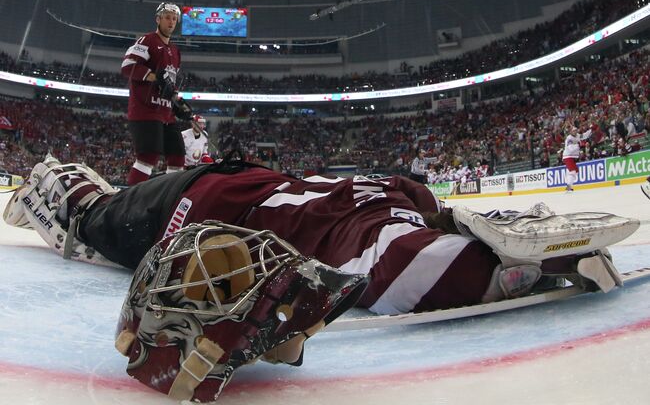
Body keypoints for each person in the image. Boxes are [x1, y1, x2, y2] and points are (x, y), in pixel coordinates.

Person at [3, 156, 639, 400]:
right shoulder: (387, 213)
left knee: (107, 217)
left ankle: (80, 191)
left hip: (233, 189)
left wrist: (497, 252)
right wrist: (522, 273)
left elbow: (418, 248)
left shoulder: (391, 191)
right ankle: (56, 178)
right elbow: (408, 271)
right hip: (204, 205)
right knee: (93, 221)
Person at [121, 2, 189, 186]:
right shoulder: (148, 40)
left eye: (174, 18)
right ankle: (129, 201)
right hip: (146, 110)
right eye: (167, 17)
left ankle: (167, 199)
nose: (171, 21)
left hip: (166, 112)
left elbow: (169, 83)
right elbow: (127, 66)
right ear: (158, 19)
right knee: (148, 156)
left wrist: (179, 103)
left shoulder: (175, 51)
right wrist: (154, 77)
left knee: (177, 157)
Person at [562, 125, 592, 192]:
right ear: (571, 132)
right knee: (573, 171)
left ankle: (568, 184)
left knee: (575, 171)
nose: (575, 132)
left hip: (572, 157)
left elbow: (583, 136)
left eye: (576, 130)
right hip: (568, 156)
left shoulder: (578, 135)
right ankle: (569, 187)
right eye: (573, 131)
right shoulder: (569, 139)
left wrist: (590, 130)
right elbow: (570, 148)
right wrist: (578, 145)